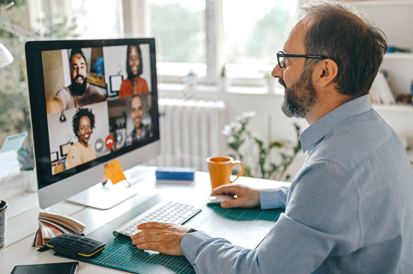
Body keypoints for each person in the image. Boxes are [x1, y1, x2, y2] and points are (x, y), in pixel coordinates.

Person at [130, 1, 413, 273]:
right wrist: (265, 196)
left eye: (286, 61)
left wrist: (187, 239)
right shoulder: (378, 134)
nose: (276, 71)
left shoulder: (332, 169)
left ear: (325, 71)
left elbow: (258, 271)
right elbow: (340, 202)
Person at [46, 48, 106, 114]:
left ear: (86, 70)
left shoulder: (93, 90)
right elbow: (54, 105)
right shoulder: (65, 93)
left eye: (82, 67)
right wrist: (50, 106)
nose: (79, 72)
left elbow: (100, 99)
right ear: (70, 73)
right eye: (75, 67)